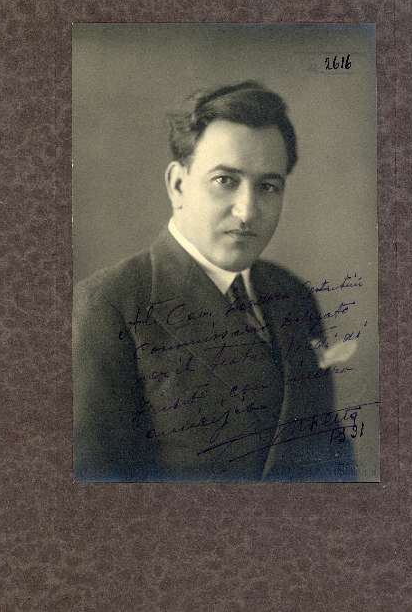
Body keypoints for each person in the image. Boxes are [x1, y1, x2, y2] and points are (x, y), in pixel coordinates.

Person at [73, 81, 356, 482]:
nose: (247, 211)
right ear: (178, 185)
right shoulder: (108, 306)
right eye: (225, 180)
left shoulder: (292, 295)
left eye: (268, 186)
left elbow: (332, 457)